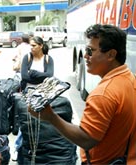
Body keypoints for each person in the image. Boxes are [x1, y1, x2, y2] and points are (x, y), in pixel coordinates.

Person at [29, 24, 136, 164]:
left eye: (90, 51)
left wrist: (51, 117)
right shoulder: (129, 77)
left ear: (111, 55)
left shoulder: (103, 94)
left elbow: (86, 139)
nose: (85, 56)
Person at [16, 36, 54, 163]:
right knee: (26, 123)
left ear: (41, 46)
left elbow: (50, 76)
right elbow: (24, 77)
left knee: (41, 122)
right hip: (28, 94)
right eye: (30, 45)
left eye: (34, 45)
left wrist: (34, 73)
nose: (31, 48)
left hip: (43, 95)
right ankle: (19, 148)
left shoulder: (48, 59)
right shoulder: (27, 58)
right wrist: (40, 77)